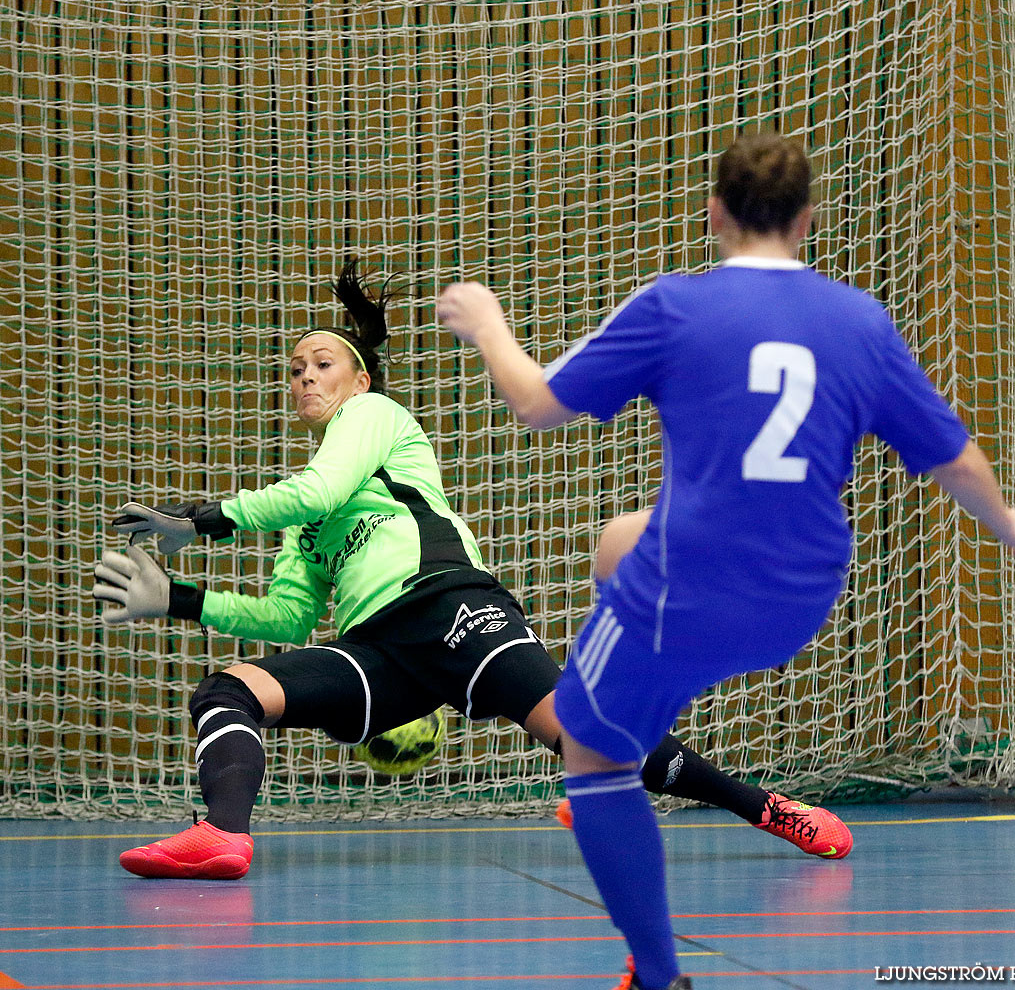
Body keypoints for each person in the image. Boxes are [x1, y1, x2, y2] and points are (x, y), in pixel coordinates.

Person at [436, 131, 1015, 990]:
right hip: (801, 596)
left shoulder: (675, 307)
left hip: (687, 591)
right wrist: (1008, 519)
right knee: (618, 538)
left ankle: (657, 973)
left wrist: (488, 323)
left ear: (715, 213)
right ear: (807, 219)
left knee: (591, 756)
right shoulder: (859, 321)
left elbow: (536, 403)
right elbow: (954, 456)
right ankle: (641, 722)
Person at [92, 259, 853, 883]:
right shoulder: (305, 520)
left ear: (360, 381)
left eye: (322, 362)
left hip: (452, 612)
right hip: (381, 653)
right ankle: (223, 835)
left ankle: (764, 807)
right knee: (231, 688)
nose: (305, 377)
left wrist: (202, 519)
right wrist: (181, 599)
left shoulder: (377, 420)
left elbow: (319, 486)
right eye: (294, 369)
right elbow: (290, 616)